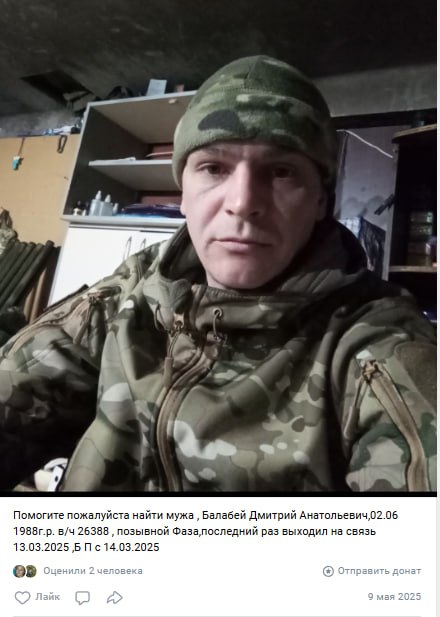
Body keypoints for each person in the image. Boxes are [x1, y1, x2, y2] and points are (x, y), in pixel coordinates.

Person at [0, 56, 436, 493]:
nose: (242, 203)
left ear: (321, 200)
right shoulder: (134, 287)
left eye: (281, 171)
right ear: (183, 192)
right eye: (213, 168)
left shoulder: (376, 338)